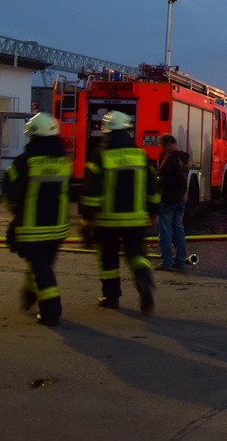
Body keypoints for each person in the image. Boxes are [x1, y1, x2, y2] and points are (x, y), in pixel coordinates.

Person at [80, 111, 160, 314]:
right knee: (137, 254)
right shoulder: (140, 154)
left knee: (108, 258)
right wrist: (153, 211)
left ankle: (111, 296)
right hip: (135, 219)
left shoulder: (101, 155)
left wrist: (88, 217)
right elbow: (152, 188)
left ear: (107, 132)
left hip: (107, 220)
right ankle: (143, 278)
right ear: (127, 130)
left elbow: (91, 189)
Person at [2, 112, 72, 327]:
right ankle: (30, 295)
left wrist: (17, 214)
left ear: (32, 135)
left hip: (33, 227)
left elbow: (10, 192)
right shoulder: (64, 161)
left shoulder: (25, 161)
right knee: (42, 266)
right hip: (58, 227)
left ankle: (51, 311)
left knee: (41, 270)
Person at [155, 134, 189, 271]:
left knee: (165, 231)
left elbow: (160, 175)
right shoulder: (183, 158)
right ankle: (180, 260)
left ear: (169, 145)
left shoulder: (170, 158)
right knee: (179, 230)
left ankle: (166, 261)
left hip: (168, 199)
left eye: (163, 147)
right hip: (180, 199)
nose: (163, 150)